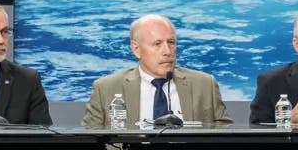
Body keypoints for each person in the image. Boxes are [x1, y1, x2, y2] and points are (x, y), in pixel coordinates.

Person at [81, 14, 229, 128]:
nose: (167, 51)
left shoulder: (204, 84)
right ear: (136, 49)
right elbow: (91, 141)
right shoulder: (106, 88)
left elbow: (225, 136)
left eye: (171, 42)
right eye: (157, 44)